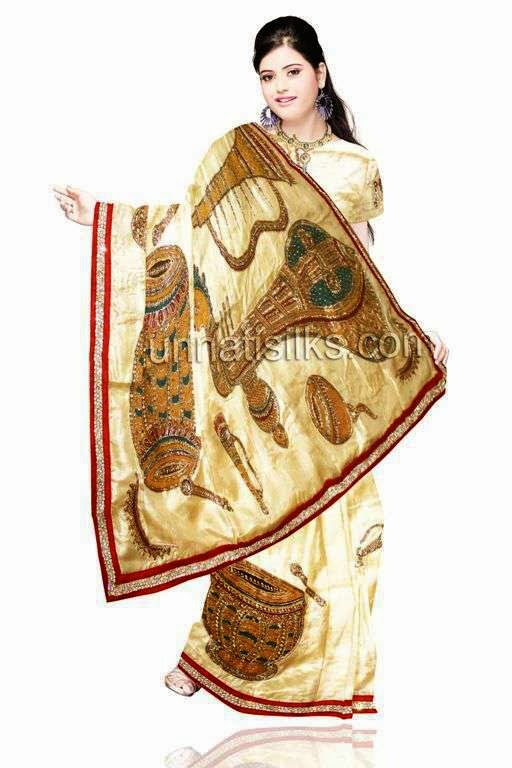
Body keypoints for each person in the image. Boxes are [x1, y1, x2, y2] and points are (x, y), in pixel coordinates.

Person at [52, 16, 448, 718]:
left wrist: (408, 330)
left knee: (340, 511)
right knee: (257, 504)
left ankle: (328, 676)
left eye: (292, 71)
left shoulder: (352, 168)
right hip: (257, 359)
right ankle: (212, 657)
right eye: (268, 76)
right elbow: (196, 231)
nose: (280, 86)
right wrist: (106, 216)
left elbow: (359, 266)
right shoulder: (248, 152)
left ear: (320, 74)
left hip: (325, 362)